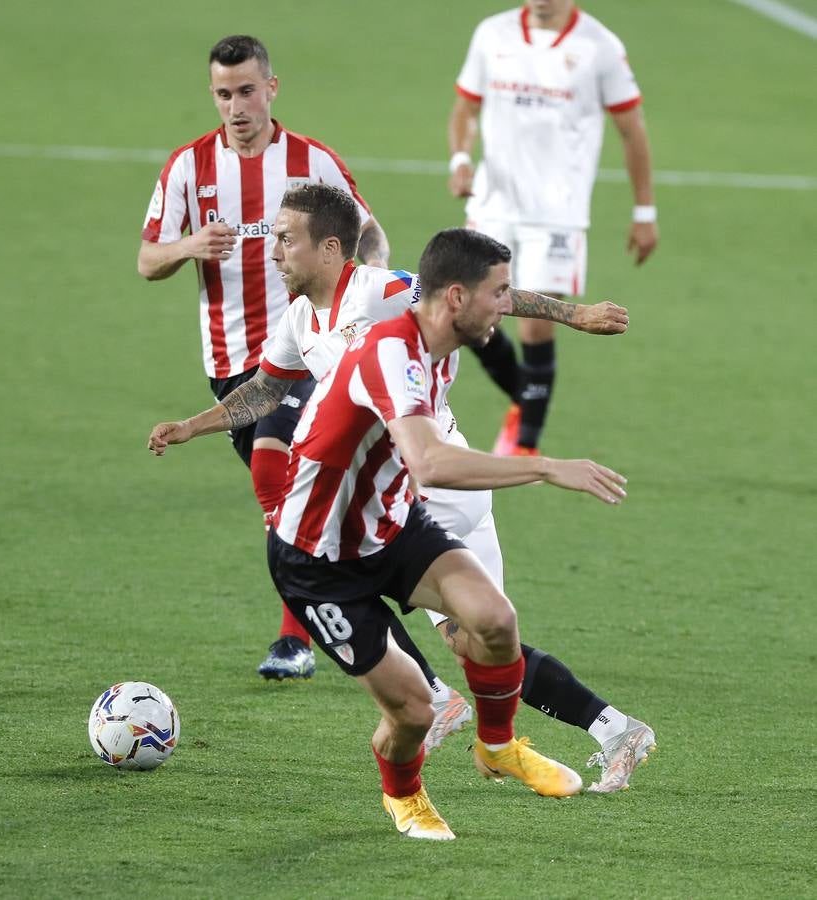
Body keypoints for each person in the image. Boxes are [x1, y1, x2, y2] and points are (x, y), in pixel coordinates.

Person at [148, 184, 656, 793]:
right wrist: (192, 426)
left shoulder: (377, 290)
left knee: (341, 574)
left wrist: (575, 315)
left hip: (429, 484)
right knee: (483, 640)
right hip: (446, 480)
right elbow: (265, 389)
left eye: (285, 239)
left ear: (330, 249)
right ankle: (614, 729)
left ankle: (435, 702)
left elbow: (474, 297)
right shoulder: (301, 318)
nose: (272, 251)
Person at [138, 34, 393, 681]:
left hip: (308, 352)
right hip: (231, 362)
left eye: (247, 91)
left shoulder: (313, 161)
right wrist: (189, 246)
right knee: (290, 498)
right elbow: (147, 260)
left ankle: (297, 638)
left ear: (271, 89)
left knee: (276, 471)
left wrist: (363, 294)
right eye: (223, 94)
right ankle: (356, 593)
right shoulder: (188, 167)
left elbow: (370, 234)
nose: (236, 107)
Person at [448, 0, 658, 456]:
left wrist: (644, 211)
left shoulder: (599, 47)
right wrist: (461, 158)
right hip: (493, 203)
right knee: (467, 315)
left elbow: (632, 130)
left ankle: (526, 443)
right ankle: (526, 399)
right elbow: (465, 108)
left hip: (558, 213)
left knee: (537, 326)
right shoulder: (492, 33)